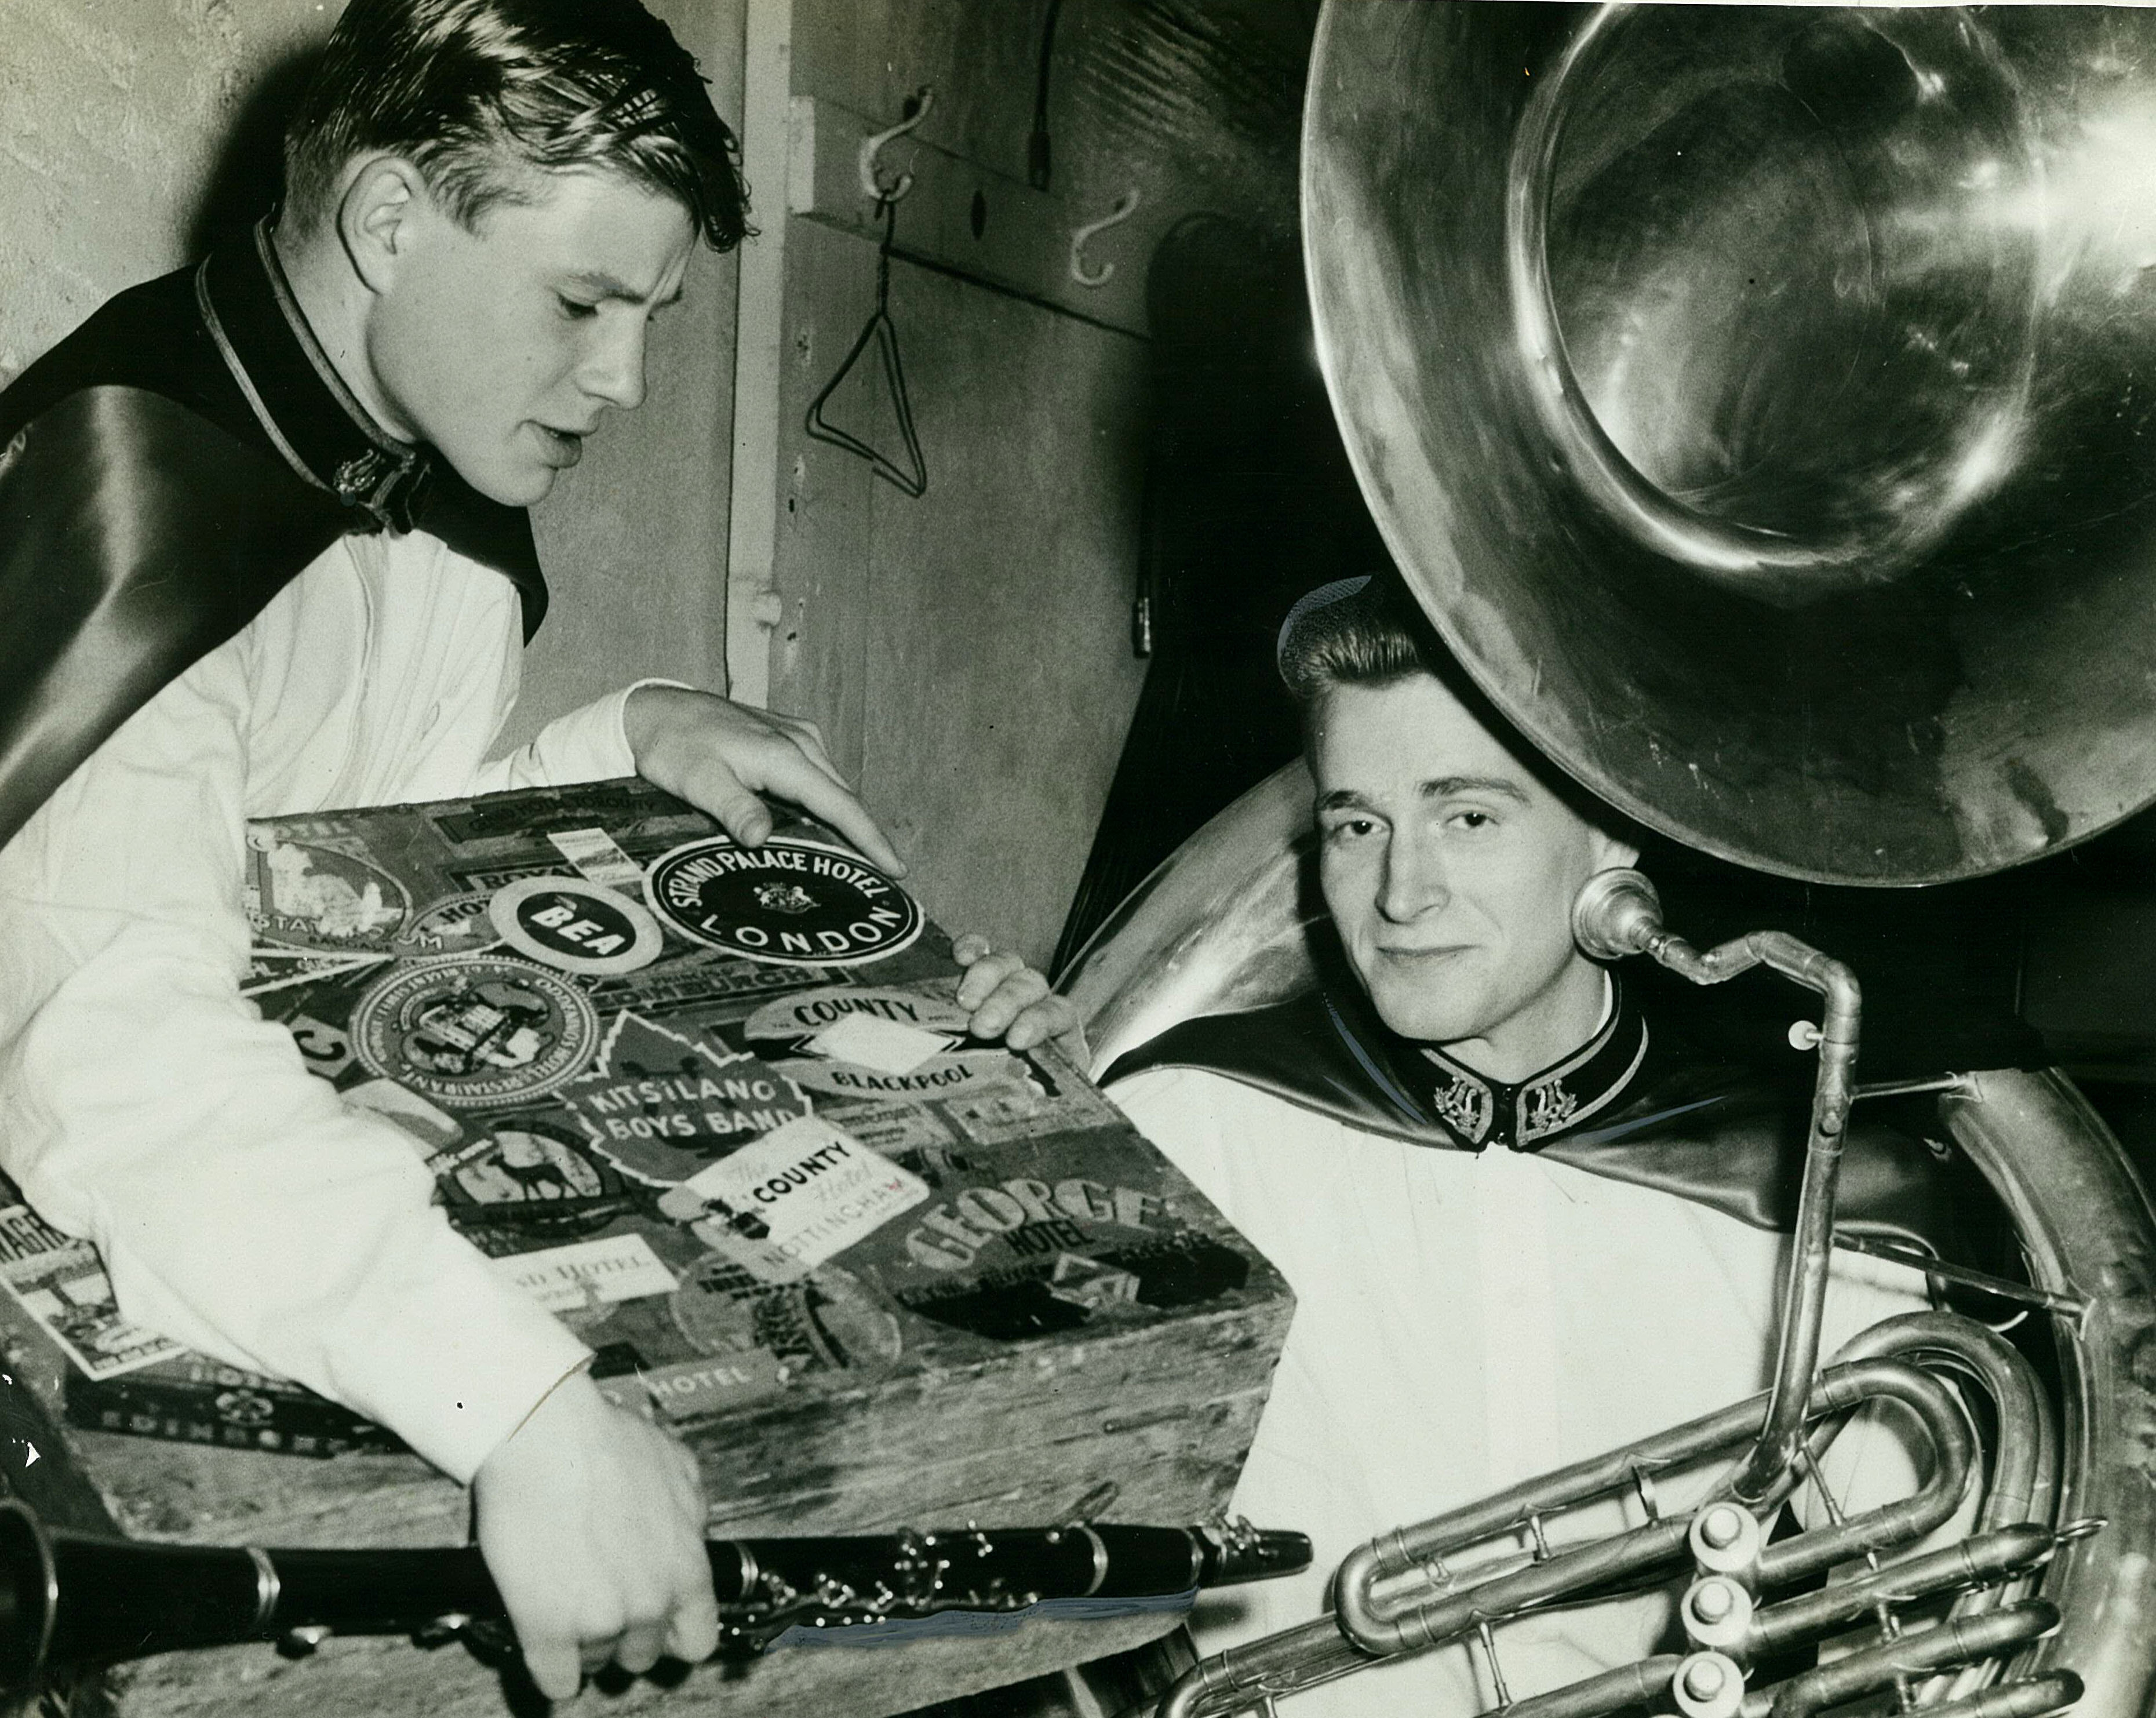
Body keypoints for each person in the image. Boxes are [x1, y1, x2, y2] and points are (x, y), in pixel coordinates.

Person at [0, 0, 1065, 1701]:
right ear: (388, 221)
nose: (625, 381)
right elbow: (113, 1052)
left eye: (651, 317)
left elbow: (336, 877)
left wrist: (622, 735)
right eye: (582, 304)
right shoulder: (129, 500)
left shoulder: (414, 478)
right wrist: (523, 1412)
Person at [1097, 576, 1971, 1716]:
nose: (1401, 894)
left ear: (1612, 833)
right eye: (1358, 826)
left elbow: (1933, 1615)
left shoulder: (1801, 1183)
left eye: (1468, 818)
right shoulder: (1186, 1127)